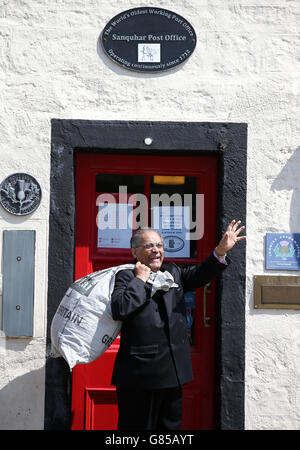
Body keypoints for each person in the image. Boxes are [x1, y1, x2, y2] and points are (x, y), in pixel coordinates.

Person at [110, 220, 246, 430]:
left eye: (159, 246)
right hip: (139, 374)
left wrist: (220, 250)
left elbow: (200, 274)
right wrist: (140, 280)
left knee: (170, 428)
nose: (156, 250)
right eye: (148, 246)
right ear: (134, 252)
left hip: (173, 370)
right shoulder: (126, 276)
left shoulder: (172, 271)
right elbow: (121, 308)